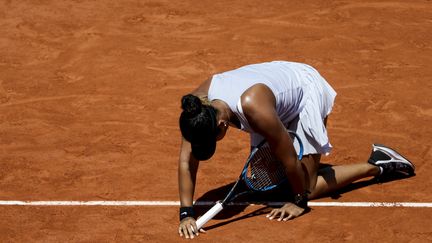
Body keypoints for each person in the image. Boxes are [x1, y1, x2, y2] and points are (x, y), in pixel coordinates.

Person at [177, 61, 415, 239]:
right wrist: (186, 212)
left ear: (222, 125)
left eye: (213, 141)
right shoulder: (198, 106)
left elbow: (289, 157)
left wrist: (300, 201)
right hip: (271, 103)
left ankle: (376, 164)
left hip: (303, 92)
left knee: (306, 187)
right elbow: (187, 160)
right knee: (270, 182)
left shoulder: (253, 107)